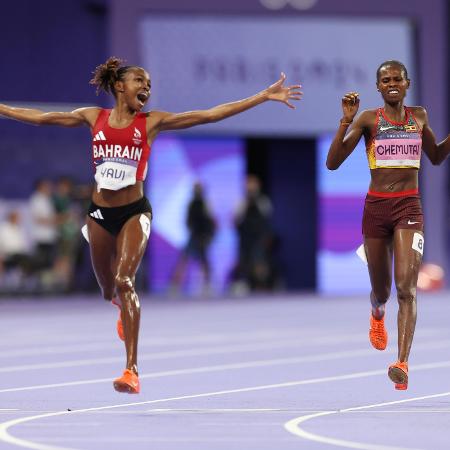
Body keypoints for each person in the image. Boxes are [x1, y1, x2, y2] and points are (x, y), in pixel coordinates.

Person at [0, 57, 302, 394]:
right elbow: (44, 118)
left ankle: (131, 370)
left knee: (124, 279)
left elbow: (208, 114)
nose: (146, 87)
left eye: (149, 84)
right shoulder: (93, 117)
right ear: (119, 86)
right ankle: (119, 304)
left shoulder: (151, 123)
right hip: (99, 214)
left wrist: (261, 96)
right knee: (107, 290)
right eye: (139, 81)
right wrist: (4, 109)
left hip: (134, 212)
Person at [326, 60, 450, 390]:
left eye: (398, 78)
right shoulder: (368, 119)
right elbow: (333, 163)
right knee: (382, 290)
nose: (392, 83)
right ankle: (377, 312)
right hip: (376, 211)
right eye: (386, 79)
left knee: (406, 288)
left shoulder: (419, 117)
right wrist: (345, 122)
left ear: (407, 84)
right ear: (378, 87)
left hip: (409, 208)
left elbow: (436, 156)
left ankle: (402, 363)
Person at [170, 182, 216, 296]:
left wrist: (208, 236)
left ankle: (207, 285)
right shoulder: (192, 204)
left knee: (204, 262)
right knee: (184, 259)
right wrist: (192, 230)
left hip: (203, 237)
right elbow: (188, 220)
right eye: (196, 189)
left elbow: (211, 221)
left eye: (198, 189)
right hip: (194, 236)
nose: (197, 191)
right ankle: (175, 285)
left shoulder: (206, 204)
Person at [233, 175, 275, 292]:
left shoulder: (263, 201)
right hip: (245, 237)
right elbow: (235, 220)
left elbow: (267, 218)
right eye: (249, 186)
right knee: (243, 261)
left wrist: (266, 236)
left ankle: (261, 284)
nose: (251, 188)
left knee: (259, 260)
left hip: (258, 237)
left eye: (253, 186)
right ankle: (243, 284)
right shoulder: (241, 203)